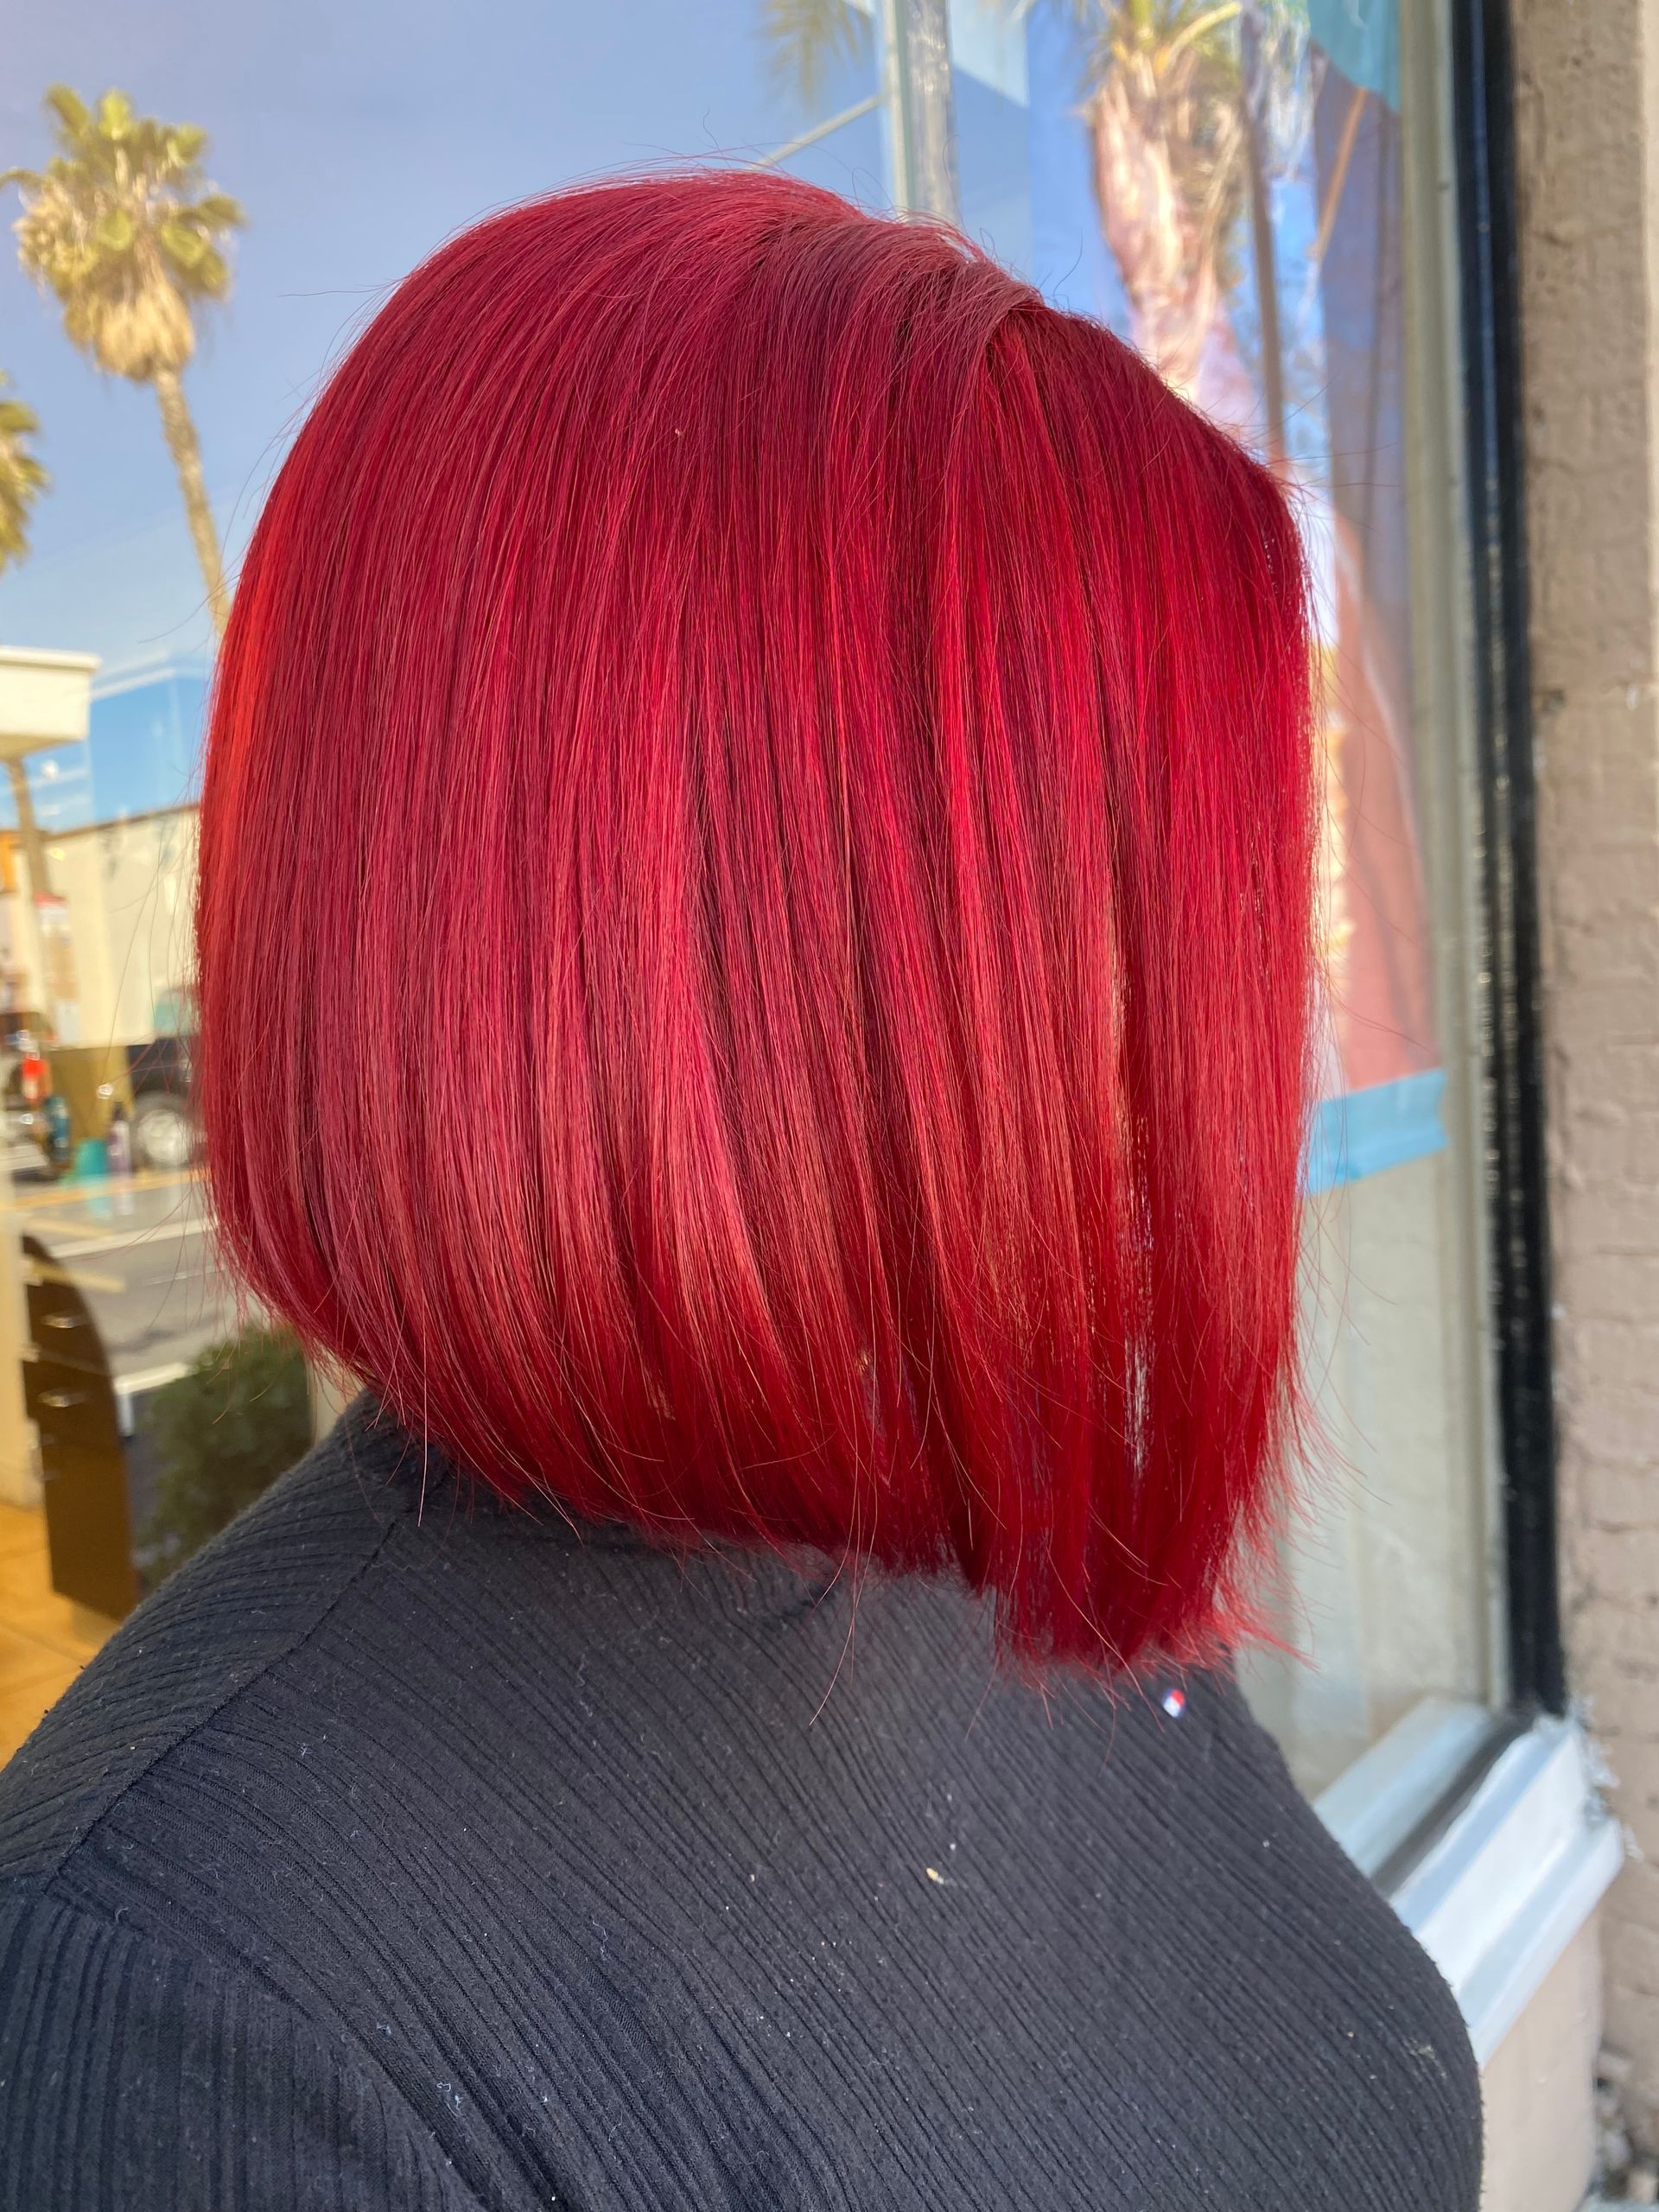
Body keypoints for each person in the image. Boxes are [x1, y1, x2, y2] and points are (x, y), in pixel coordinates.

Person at [0, 172, 1481, 2209]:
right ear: (730, 950)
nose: (1206, 999)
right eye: (1092, 872)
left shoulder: (985, 1530)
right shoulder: (190, 2009)